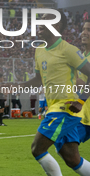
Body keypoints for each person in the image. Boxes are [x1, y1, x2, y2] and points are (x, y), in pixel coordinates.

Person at [3, 11, 90, 175]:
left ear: (57, 26)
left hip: (65, 109)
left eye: (45, 20)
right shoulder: (39, 50)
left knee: (37, 148)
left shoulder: (68, 50)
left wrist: (81, 101)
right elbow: (39, 79)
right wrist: (17, 87)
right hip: (54, 108)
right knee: (71, 157)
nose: (40, 23)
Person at [54, 19, 90, 174]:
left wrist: (80, 86)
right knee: (63, 144)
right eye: (83, 29)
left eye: (88, 29)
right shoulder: (82, 56)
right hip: (83, 116)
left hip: (83, 111)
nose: (84, 33)